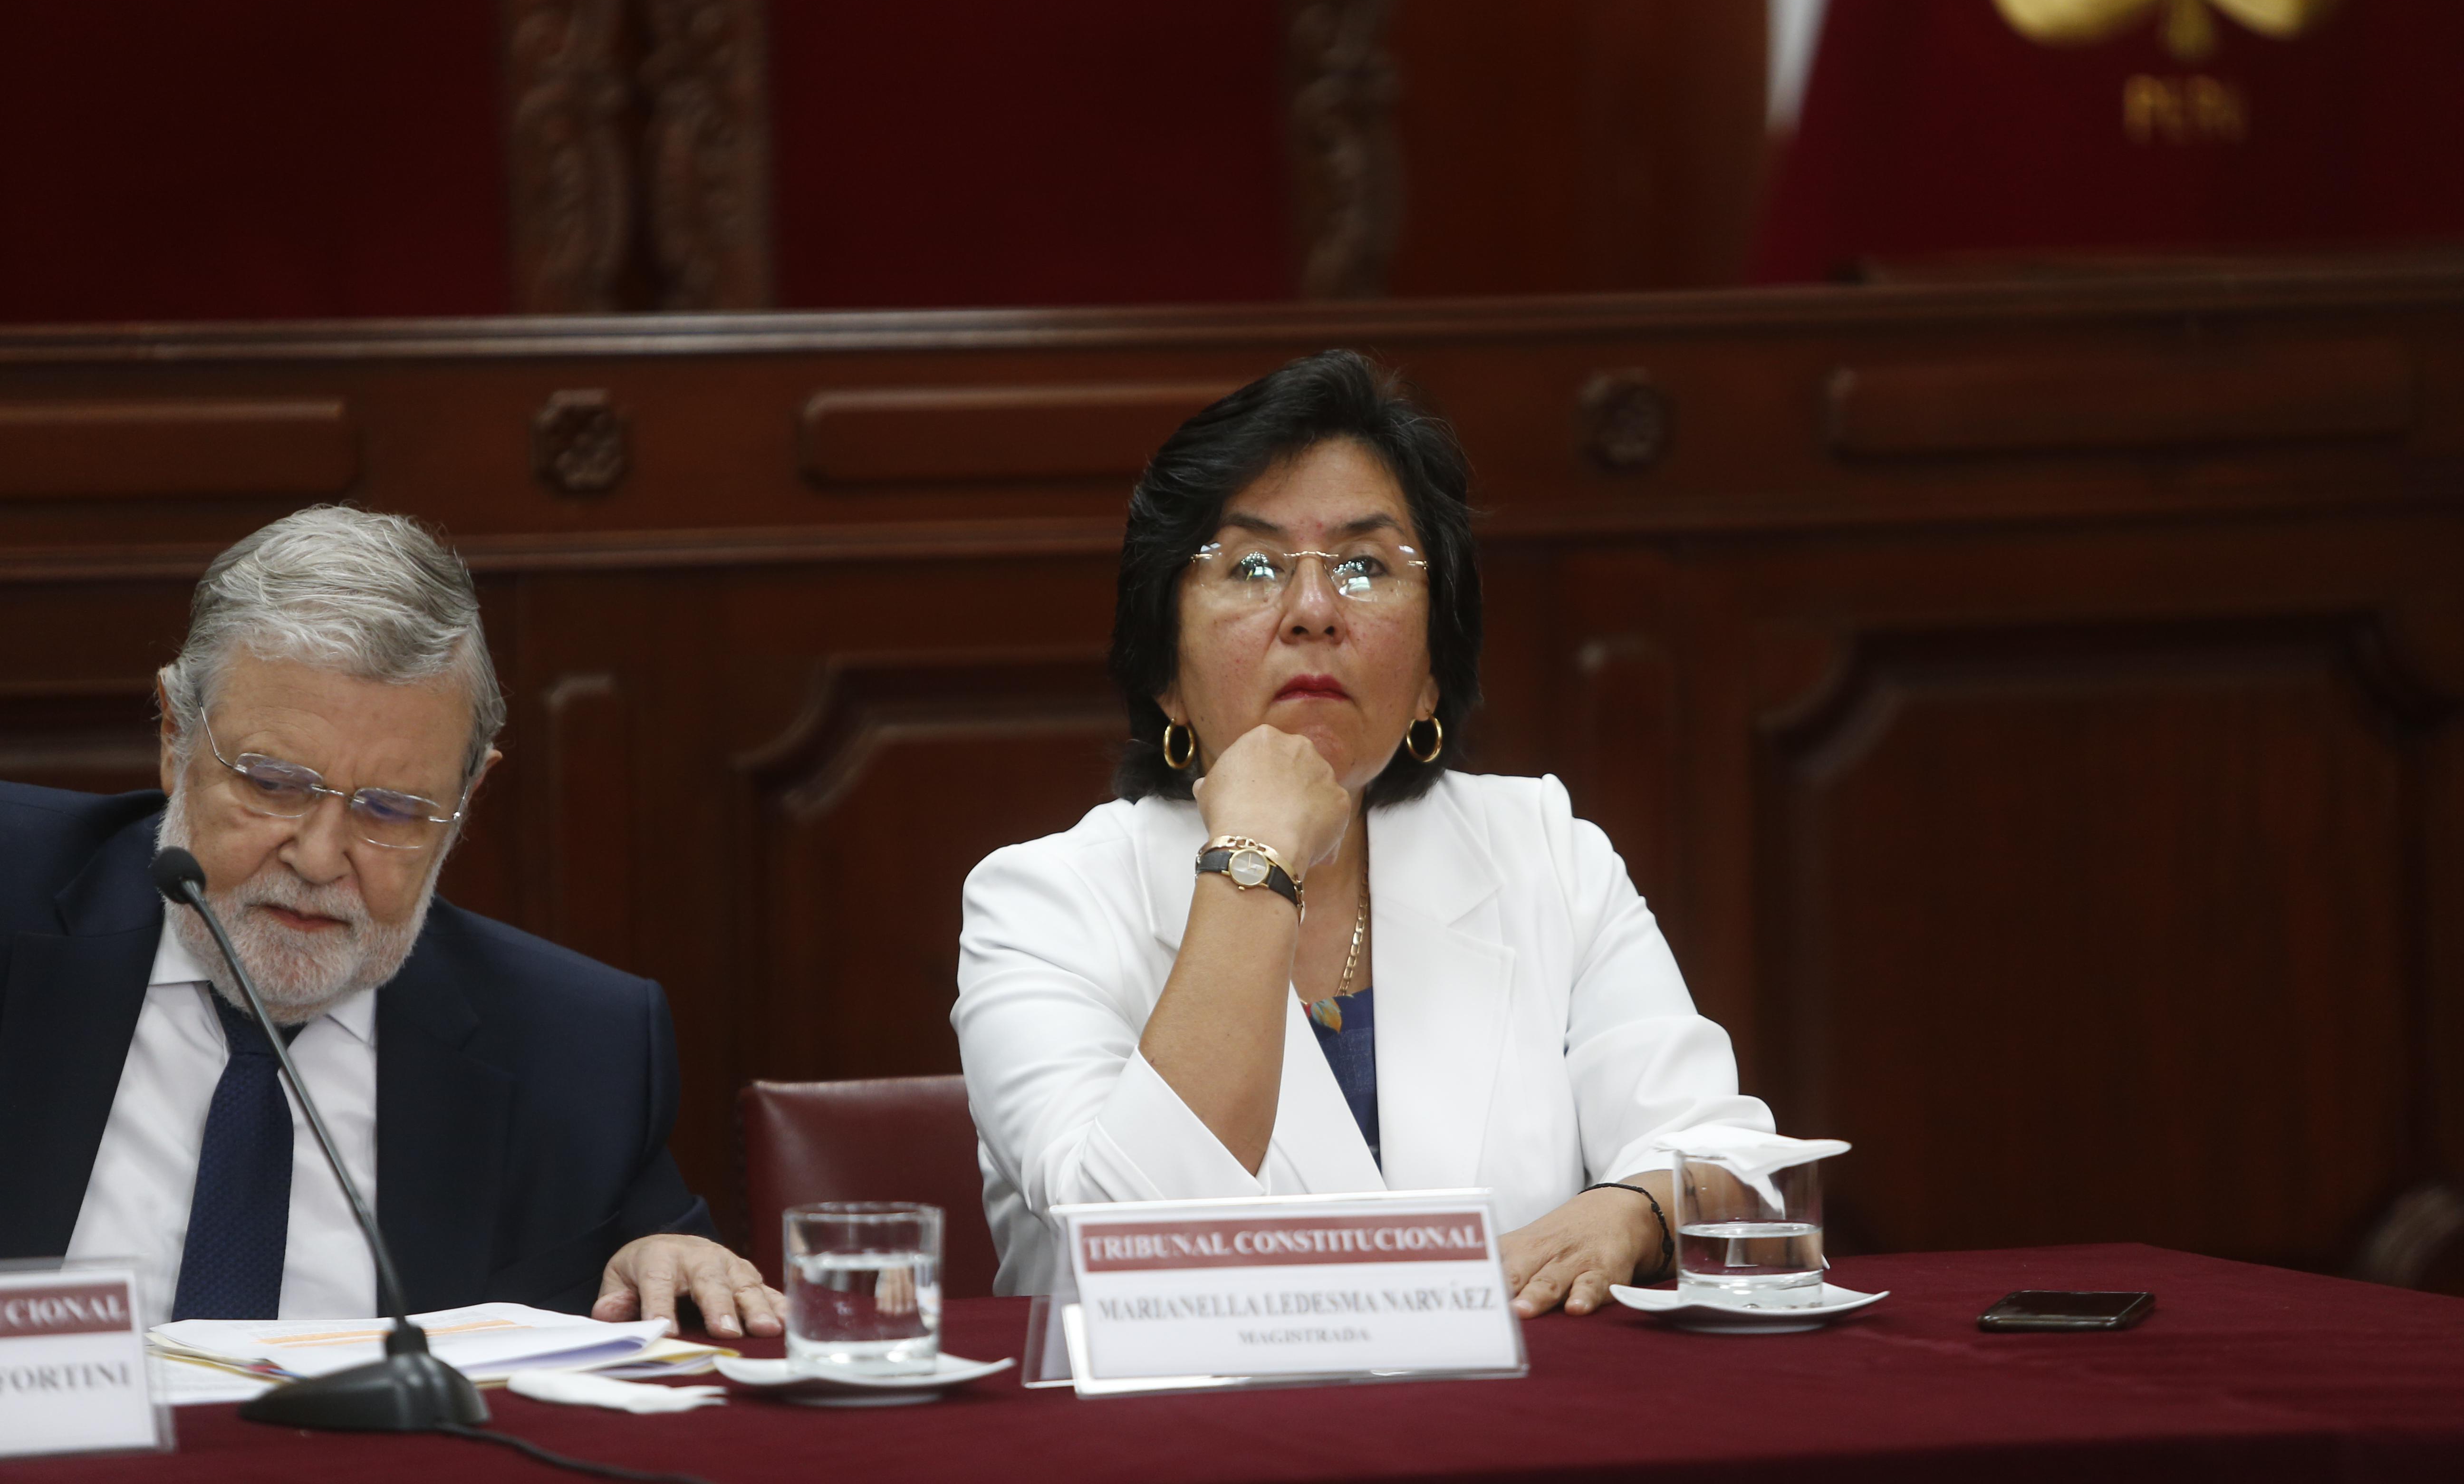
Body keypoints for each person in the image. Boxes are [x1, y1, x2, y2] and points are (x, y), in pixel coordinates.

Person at [955, 350, 1773, 1313]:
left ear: (1433, 671)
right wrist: (1256, 851)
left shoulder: (1544, 849)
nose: (1312, 612)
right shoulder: (1043, 903)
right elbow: (1145, 1240)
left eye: (1366, 567)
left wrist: (1634, 1207)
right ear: (1164, 672)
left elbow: (1732, 1163)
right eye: (1252, 566)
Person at [0, 506, 782, 1336]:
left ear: (468, 797)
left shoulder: (578, 1054)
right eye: (272, 783)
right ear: (173, 735)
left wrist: (666, 1266)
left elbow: (669, 1289)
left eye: (393, 809)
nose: (321, 857)